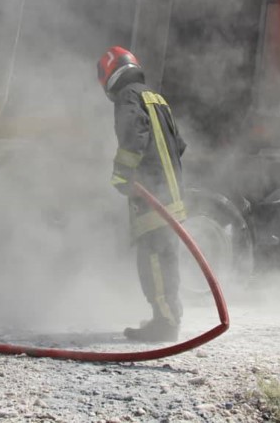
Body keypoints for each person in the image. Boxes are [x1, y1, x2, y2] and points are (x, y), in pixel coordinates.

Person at [96, 46, 188, 342]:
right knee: (167, 257)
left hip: (151, 194)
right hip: (171, 191)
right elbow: (181, 144)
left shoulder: (127, 97)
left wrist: (122, 174)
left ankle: (164, 323)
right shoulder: (155, 97)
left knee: (152, 257)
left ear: (108, 75)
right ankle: (169, 315)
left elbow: (133, 135)